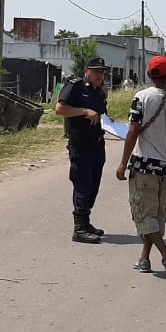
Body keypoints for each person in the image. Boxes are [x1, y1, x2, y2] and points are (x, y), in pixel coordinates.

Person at [116, 55, 166, 275]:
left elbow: (132, 132)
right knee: (156, 214)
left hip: (144, 164)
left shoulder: (141, 97)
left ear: (149, 74)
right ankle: (144, 259)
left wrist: (122, 163)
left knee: (143, 214)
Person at [56, 56, 110, 243]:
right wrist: (84, 111)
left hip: (97, 143)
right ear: (86, 70)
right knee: (82, 184)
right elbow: (60, 109)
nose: (99, 75)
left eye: (102, 72)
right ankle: (79, 228)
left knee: (94, 184)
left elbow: (102, 114)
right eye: (96, 71)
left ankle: (86, 222)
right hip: (80, 144)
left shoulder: (100, 91)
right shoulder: (76, 86)